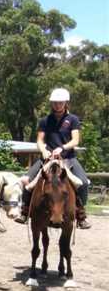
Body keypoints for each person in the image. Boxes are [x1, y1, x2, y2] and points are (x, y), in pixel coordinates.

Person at [14, 87, 91, 229]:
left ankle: (81, 215)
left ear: (66, 103)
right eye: (55, 102)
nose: (57, 105)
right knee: (26, 180)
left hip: (68, 158)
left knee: (84, 183)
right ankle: (24, 211)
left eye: (60, 102)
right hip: (47, 159)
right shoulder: (45, 120)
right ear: (52, 103)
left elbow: (75, 141)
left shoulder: (73, 119)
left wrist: (62, 148)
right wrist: (43, 150)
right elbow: (39, 140)